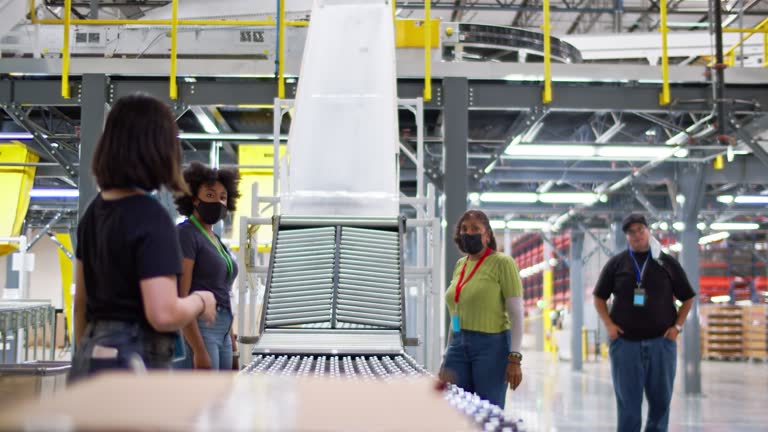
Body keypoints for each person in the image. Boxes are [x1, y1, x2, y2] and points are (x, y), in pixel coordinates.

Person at [70, 94, 217, 382]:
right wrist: (201, 299)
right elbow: (163, 313)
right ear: (157, 149)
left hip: (90, 358)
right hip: (133, 362)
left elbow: (81, 306)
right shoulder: (150, 215)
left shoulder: (94, 213)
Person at [593, 213, 696, 432]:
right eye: (632, 232)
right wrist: (609, 325)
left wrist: (677, 327)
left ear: (648, 231)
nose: (637, 235)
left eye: (641, 229)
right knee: (628, 405)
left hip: (661, 344)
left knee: (661, 404)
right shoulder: (616, 264)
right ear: (626, 236)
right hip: (625, 345)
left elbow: (688, 297)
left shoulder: (666, 263)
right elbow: (599, 297)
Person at [439, 209, 524, 408]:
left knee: (488, 410)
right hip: (458, 344)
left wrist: (515, 357)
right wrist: (448, 354)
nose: (469, 233)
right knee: (455, 409)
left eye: (475, 228)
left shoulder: (503, 263)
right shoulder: (461, 264)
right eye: (464, 229)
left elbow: (516, 314)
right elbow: (456, 312)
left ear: (487, 235)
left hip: (491, 347)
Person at [174, 162, 241, 370]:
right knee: (201, 399)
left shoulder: (216, 240)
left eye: (223, 197)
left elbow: (223, 292)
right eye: (210, 195)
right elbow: (181, 296)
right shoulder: (186, 234)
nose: (218, 202)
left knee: (222, 397)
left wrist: (232, 342)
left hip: (223, 329)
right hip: (200, 328)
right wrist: (199, 350)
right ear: (194, 199)